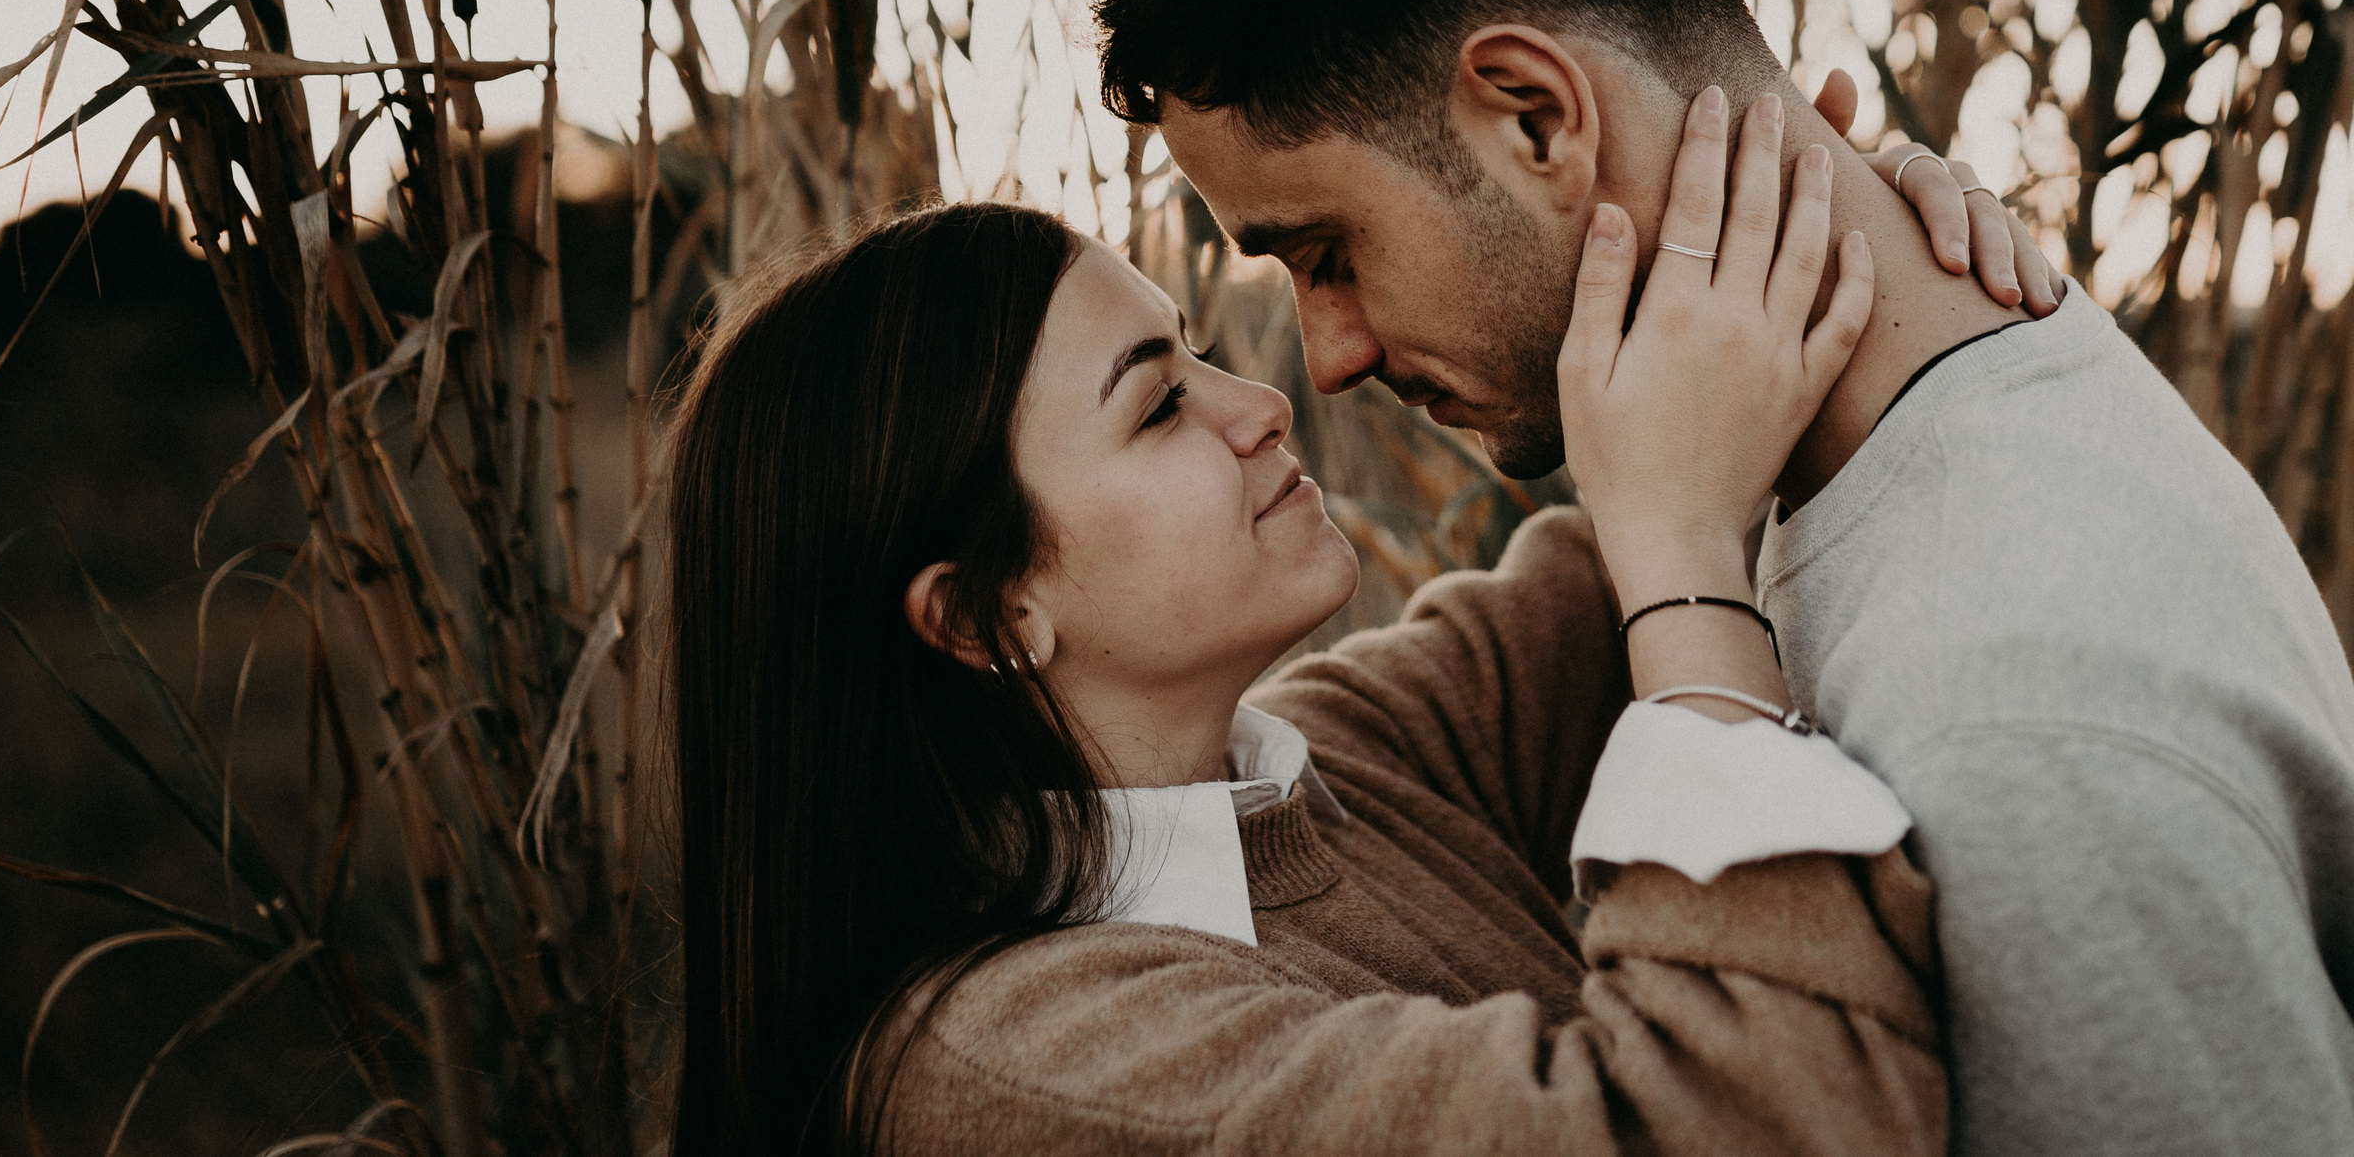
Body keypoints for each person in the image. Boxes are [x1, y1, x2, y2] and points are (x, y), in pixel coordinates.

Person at [1094, 0, 2354, 1156]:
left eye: (1327, 253)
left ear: (1537, 118)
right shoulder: (1839, 464)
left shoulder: (2026, 734)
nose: (1331, 358)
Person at [662, 89, 1989, 1155]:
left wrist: (1862, 236)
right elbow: (1766, 1124)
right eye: (1159, 407)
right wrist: (1686, 562)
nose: (1263, 403)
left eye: (1194, 352)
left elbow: (1679, 477)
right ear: (988, 616)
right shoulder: (1034, 1070)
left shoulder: (1331, 763)